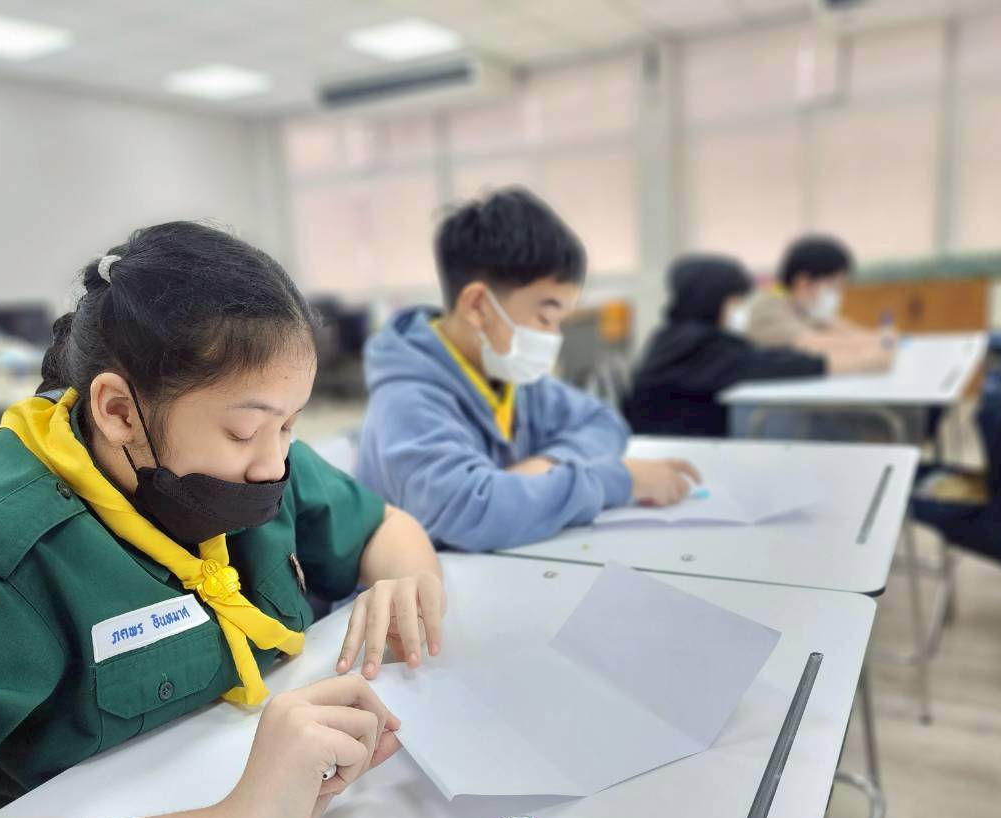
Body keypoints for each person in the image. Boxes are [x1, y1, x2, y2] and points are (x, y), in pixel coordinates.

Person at [0, 221, 444, 818]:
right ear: (117, 411)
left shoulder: (247, 468)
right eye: (245, 433)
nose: (273, 464)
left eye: (291, 425)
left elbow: (385, 525)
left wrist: (406, 580)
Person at [356, 188, 700, 551]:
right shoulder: (408, 398)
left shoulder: (508, 375)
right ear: (478, 306)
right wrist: (617, 479)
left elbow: (603, 422)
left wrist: (545, 465)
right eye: (545, 318)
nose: (554, 337)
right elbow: (473, 510)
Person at [626, 255, 828, 437]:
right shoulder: (694, 346)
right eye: (735, 301)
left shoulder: (674, 335)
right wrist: (822, 362)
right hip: (675, 449)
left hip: (685, 443)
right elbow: (763, 365)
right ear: (713, 300)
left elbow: (756, 356)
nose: (739, 309)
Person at [745, 234, 893, 372]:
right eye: (833, 286)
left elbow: (842, 328)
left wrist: (881, 339)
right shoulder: (767, 307)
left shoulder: (804, 306)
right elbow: (811, 344)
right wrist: (881, 342)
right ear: (804, 283)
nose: (837, 294)